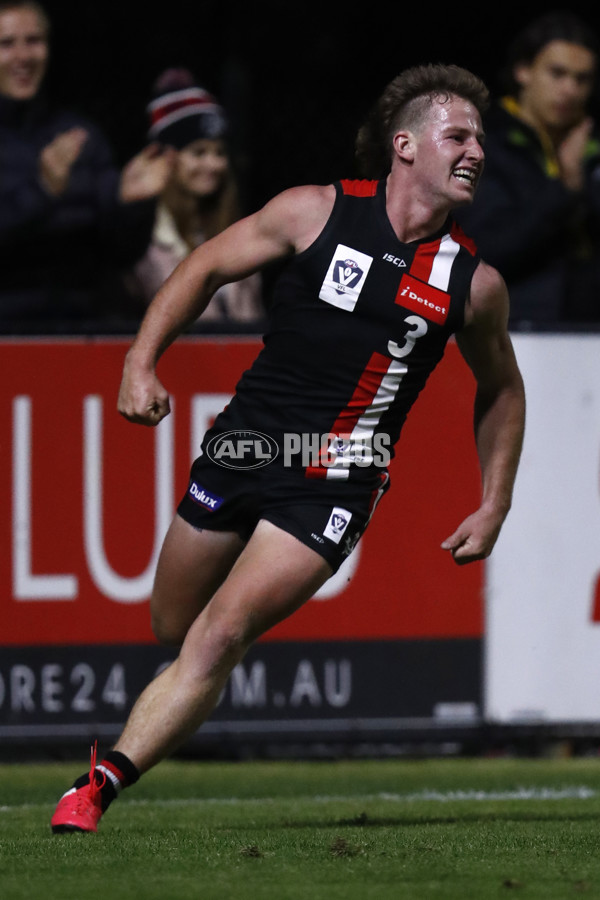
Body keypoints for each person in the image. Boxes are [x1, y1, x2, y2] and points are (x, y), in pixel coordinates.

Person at [50, 63, 525, 833]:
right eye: (457, 135)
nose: (475, 151)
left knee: (220, 633)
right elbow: (203, 267)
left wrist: (494, 500)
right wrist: (140, 362)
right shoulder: (315, 211)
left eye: (480, 140)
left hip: (337, 478)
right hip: (244, 447)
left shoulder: (474, 284)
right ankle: (181, 692)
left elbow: (502, 387)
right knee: (172, 624)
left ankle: (93, 788)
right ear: (405, 145)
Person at [0, 1, 173, 334]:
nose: (23, 56)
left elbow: (121, 254)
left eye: (34, 41)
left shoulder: (80, 135)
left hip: (80, 333)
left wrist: (130, 204)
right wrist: (41, 191)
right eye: (7, 44)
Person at [455, 11, 600, 328]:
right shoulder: (482, 144)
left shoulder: (590, 147)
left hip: (586, 330)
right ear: (523, 71)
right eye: (557, 74)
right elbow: (485, 251)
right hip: (512, 328)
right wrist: (566, 187)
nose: (570, 89)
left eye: (582, 79)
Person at [128, 68, 264, 330]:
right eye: (198, 152)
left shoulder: (237, 229)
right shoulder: (146, 236)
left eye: (219, 153)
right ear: (168, 158)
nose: (213, 164)